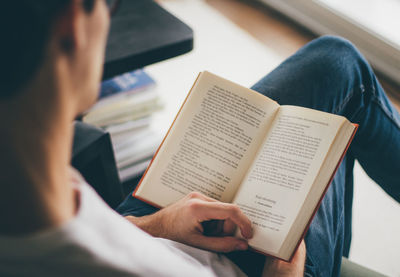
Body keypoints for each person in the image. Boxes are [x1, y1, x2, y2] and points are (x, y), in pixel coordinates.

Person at [0, 0, 398, 276]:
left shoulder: (30, 182)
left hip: (149, 233)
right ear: (73, 25)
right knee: (346, 79)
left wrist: (156, 225)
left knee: (332, 61)